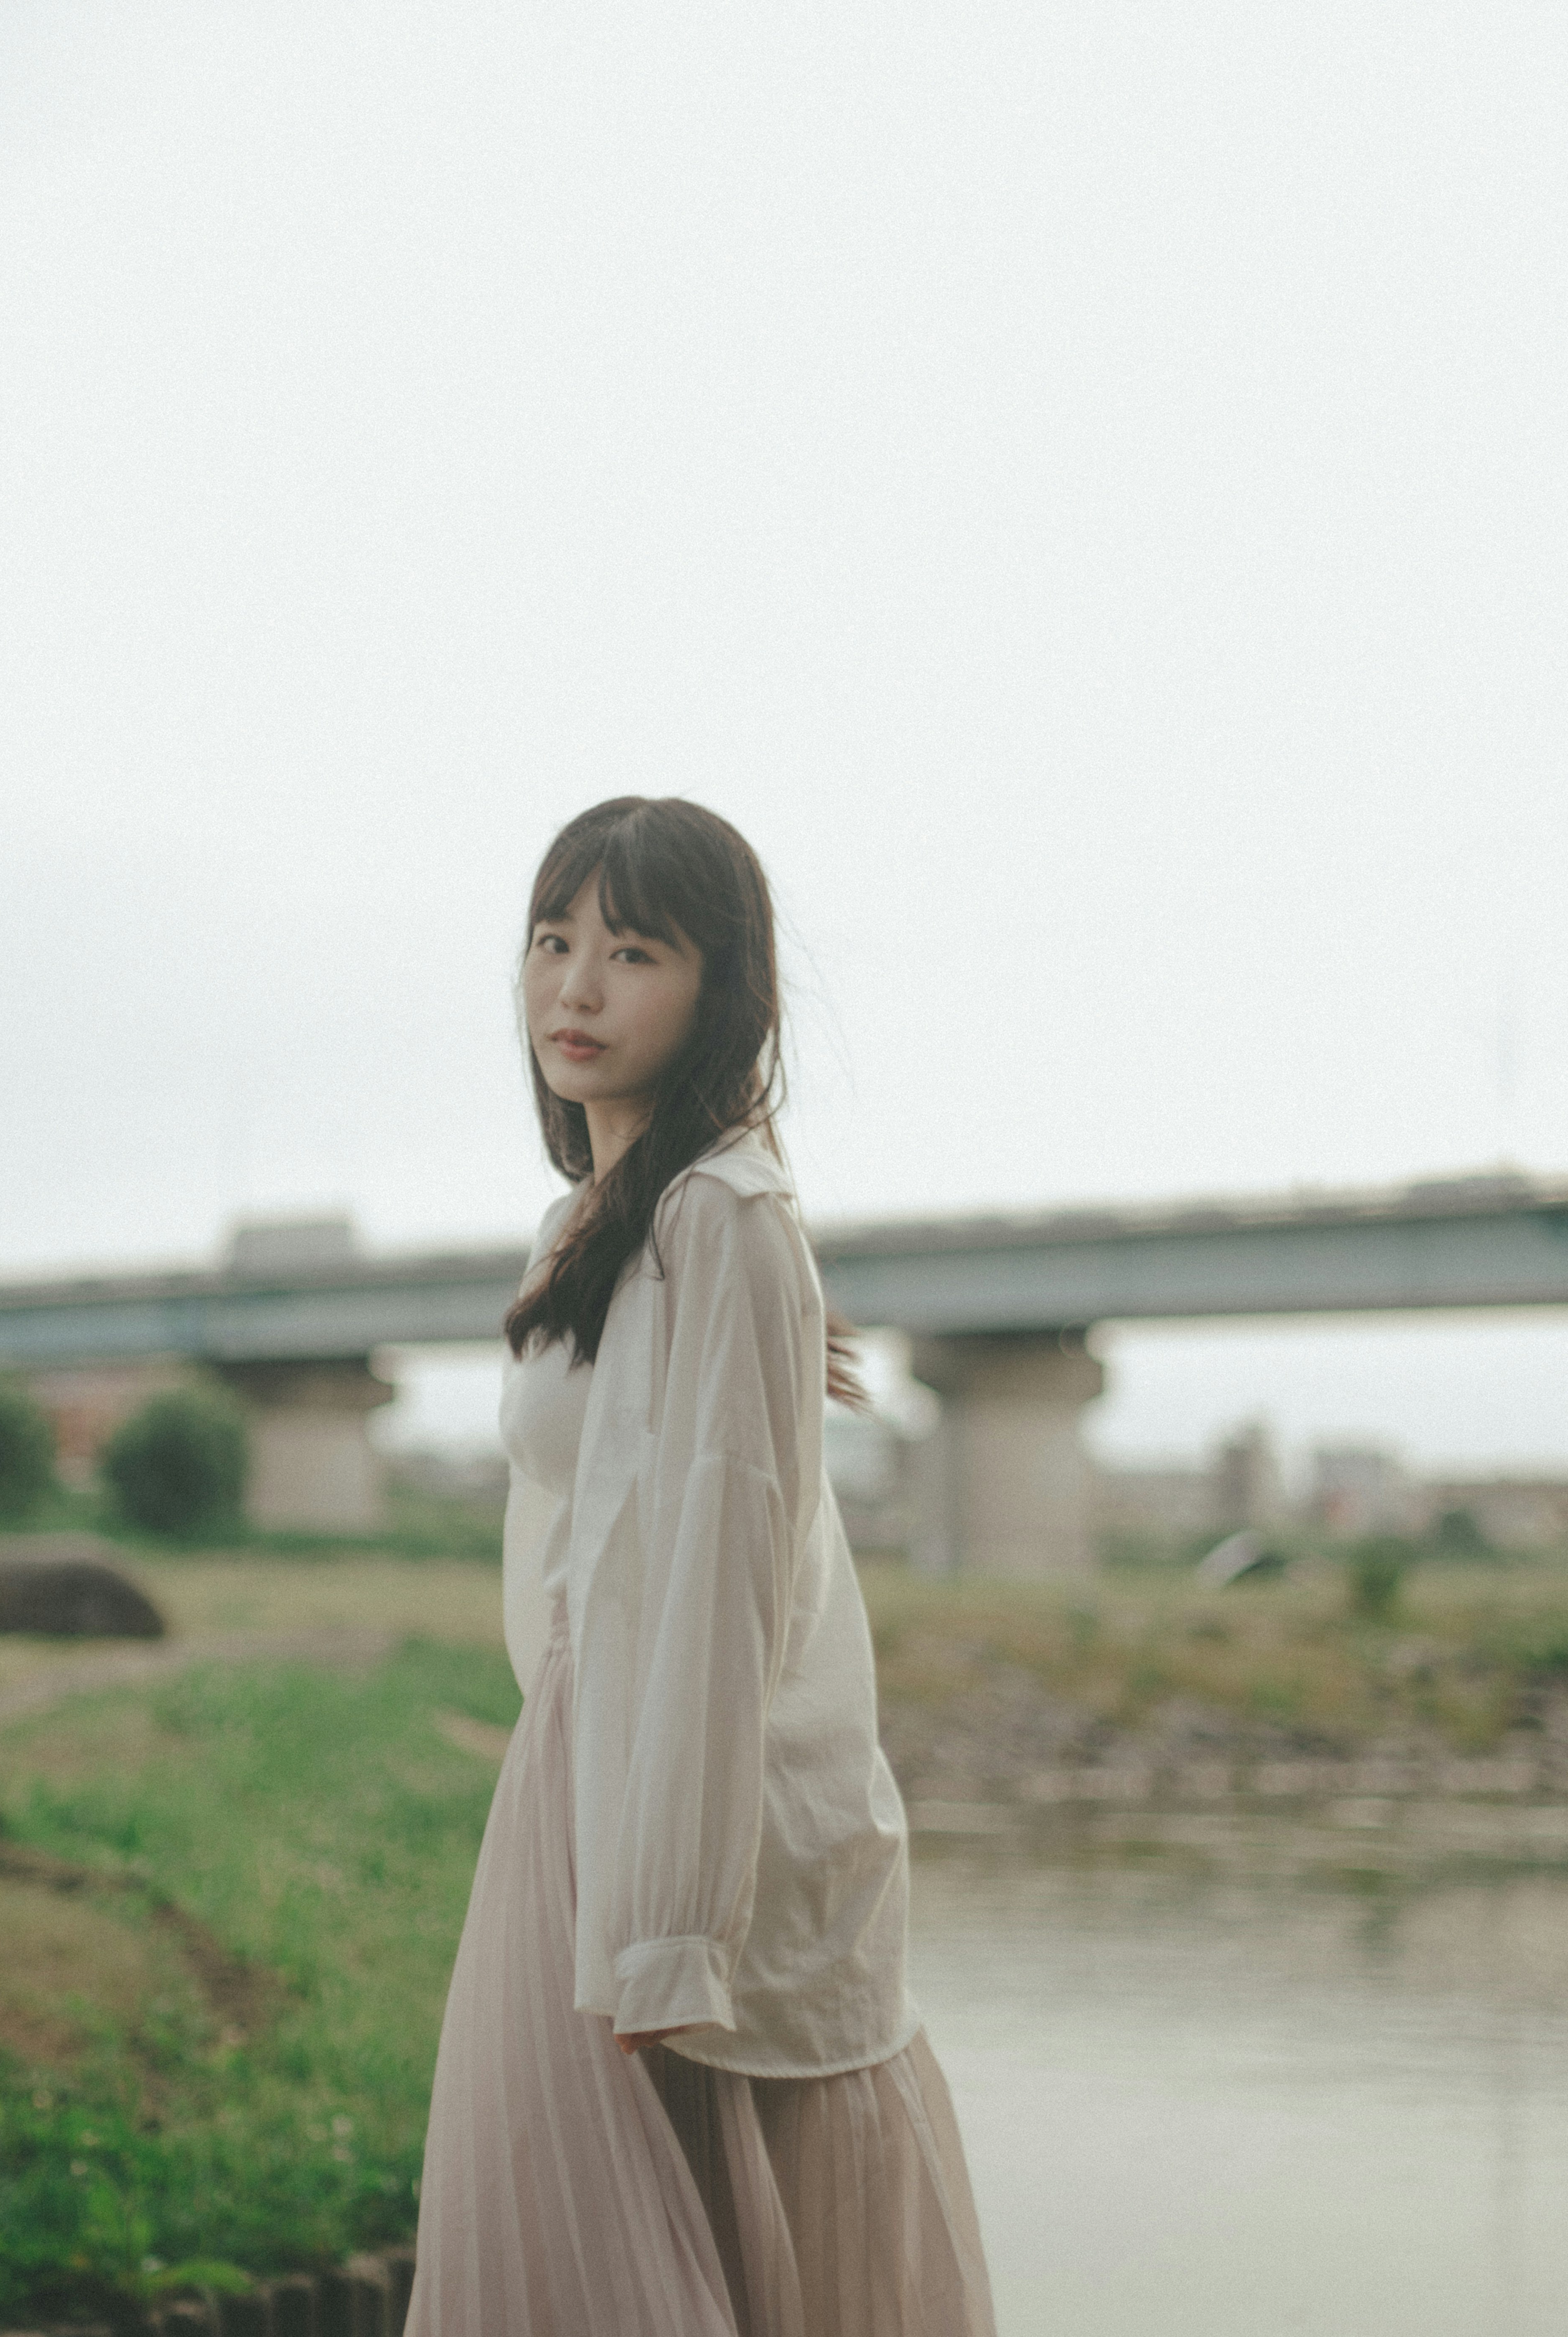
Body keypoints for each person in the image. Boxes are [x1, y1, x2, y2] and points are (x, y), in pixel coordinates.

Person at [406, 796, 996, 2337]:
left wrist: (671, 1923)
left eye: (632, 950)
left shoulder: (726, 1218)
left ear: (719, 988)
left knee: (699, 2249)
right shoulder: (591, 1221)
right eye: (554, 941)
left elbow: (726, 1591)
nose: (576, 989)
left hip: (692, 1810)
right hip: (587, 1772)